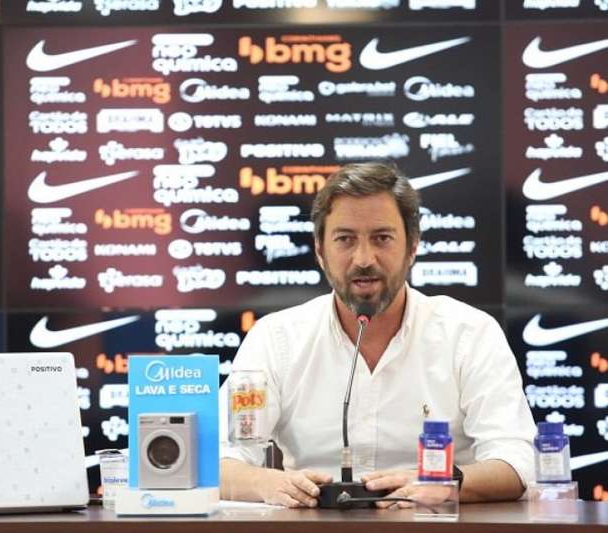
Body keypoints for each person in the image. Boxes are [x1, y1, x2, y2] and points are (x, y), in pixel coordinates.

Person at [220, 162, 535, 508]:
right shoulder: (276, 339)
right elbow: (218, 461)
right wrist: (269, 483)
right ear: (320, 252)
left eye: (382, 238)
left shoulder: (469, 334)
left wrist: (441, 482)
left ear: (412, 246)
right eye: (345, 239)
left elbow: (517, 463)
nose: (364, 258)